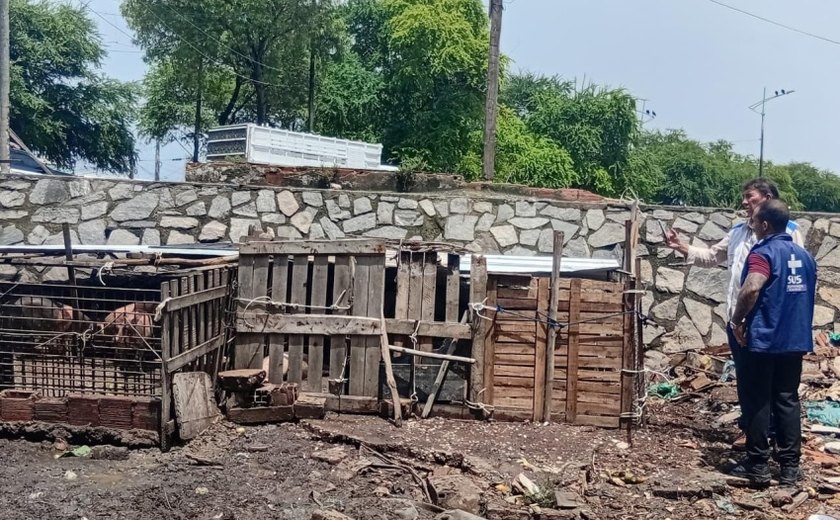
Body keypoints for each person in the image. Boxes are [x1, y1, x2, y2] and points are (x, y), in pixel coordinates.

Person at [664, 178, 804, 448]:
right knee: (749, 382)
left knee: (775, 388)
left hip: (767, 323)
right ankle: (756, 435)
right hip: (738, 321)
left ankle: (767, 443)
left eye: (749, 196)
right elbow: (711, 257)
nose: (743, 202)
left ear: (766, 197)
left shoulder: (791, 233)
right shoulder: (739, 231)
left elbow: (791, 277)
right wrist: (680, 246)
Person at [728, 199, 816, 486]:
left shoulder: (762, 253)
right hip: (795, 339)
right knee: (787, 399)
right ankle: (790, 469)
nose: (751, 225)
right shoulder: (805, 257)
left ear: (765, 225)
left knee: (758, 400)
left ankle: (758, 466)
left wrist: (737, 320)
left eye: (754, 221)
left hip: (764, 339)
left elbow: (752, 287)